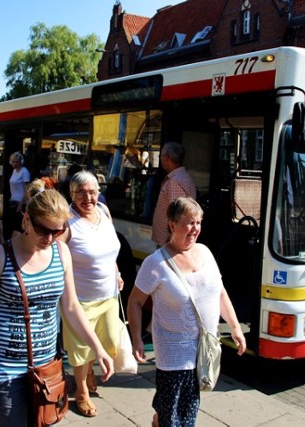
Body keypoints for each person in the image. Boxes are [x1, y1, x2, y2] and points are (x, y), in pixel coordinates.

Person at [0, 188, 114, 426]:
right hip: (3, 370)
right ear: (27, 219)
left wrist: (97, 348)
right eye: (43, 230)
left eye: (57, 231)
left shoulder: (61, 253)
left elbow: (71, 306)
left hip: (46, 369)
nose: (49, 238)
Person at [128, 197, 246, 427]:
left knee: (187, 411)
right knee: (173, 417)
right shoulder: (156, 263)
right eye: (190, 222)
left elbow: (220, 293)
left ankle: (158, 419)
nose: (196, 229)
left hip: (203, 350)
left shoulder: (205, 252)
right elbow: (134, 302)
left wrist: (235, 328)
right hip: (173, 354)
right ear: (172, 224)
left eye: (199, 222)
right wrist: (136, 339)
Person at [61, 171, 123, 417]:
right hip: (80, 298)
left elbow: (112, 248)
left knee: (109, 340)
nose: (88, 197)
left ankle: (87, 370)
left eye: (92, 192)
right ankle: (81, 391)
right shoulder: (67, 221)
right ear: (72, 194)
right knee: (80, 348)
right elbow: (58, 257)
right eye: (81, 193)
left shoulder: (104, 212)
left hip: (108, 294)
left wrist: (116, 272)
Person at [151, 142, 197, 247]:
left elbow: (177, 215)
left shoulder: (175, 181)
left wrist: (172, 243)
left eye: (161, 156)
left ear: (167, 158)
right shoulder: (183, 177)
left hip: (168, 243)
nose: (161, 159)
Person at [8, 152, 31, 237]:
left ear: (21, 162)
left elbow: (27, 190)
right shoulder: (14, 171)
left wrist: (21, 205)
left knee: (18, 228)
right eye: (13, 162)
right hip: (13, 202)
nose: (15, 164)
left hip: (20, 203)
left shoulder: (24, 172)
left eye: (17, 162)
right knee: (13, 227)